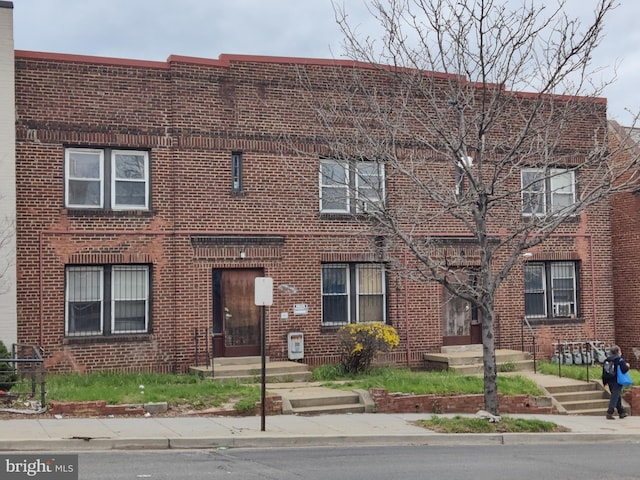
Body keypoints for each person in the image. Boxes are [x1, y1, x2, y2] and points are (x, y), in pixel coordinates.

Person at [602, 345, 630, 419]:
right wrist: (627, 366)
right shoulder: (619, 360)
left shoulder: (607, 360)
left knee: (617, 395)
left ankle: (621, 412)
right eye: (620, 351)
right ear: (618, 352)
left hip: (609, 380)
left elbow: (604, 372)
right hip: (617, 380)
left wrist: (604, 382)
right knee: (615, 396)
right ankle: (609, 412)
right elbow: (624, 369)